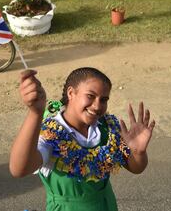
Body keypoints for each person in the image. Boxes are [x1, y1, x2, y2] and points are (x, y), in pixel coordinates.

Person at [10, 67, 156, 211]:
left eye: (103, 99)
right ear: (71, 93)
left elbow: (136, 168)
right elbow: (19, 169)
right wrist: (35, 113)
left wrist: (138, 152)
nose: (97, 106)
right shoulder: (51, 135)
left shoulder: (107, 127)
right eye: (90, 96)